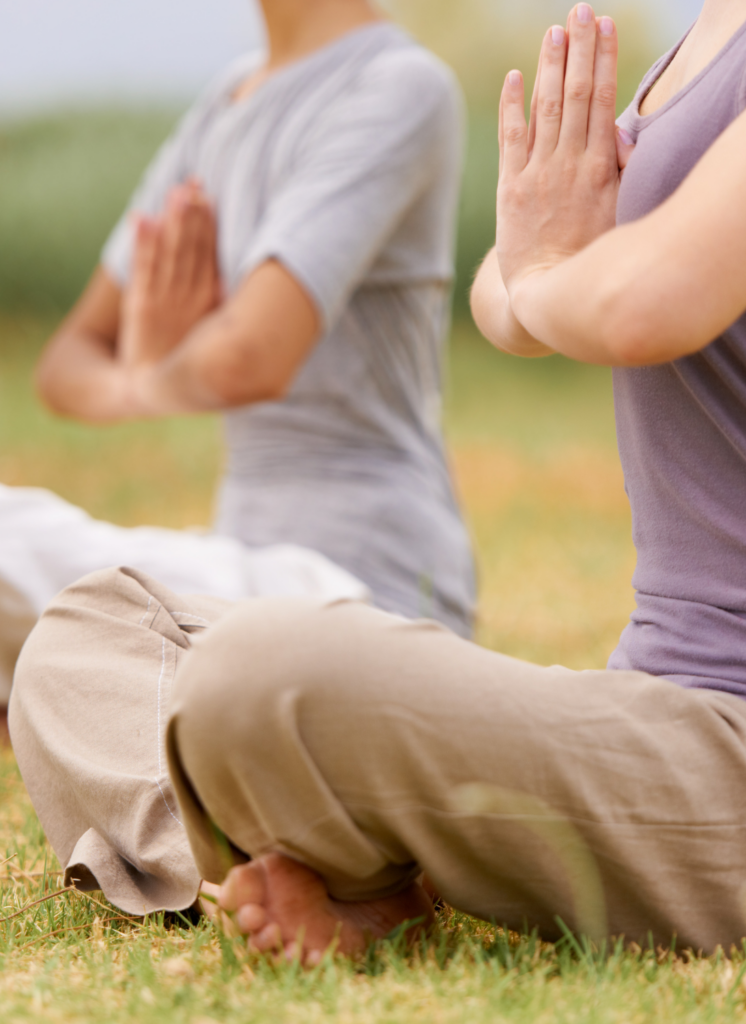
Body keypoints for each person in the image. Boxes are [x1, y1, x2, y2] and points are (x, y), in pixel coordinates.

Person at [15, 0, 746, 963]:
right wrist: (552, 275)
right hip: (658, 699)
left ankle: (315, 851)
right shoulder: (711, 25)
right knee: (82, 635)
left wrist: (553, 273)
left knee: (258, 674)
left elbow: (641, 303)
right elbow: (508, 284)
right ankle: (300, 869)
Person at [6, 0, 475, 903]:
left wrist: (157, 367)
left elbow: (251, 355)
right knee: (72, 644)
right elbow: (68, 365)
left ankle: (275, 863)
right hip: (223, 589)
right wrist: (154, 374)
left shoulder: (398, 86)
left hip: (366, 586)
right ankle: (250, 843)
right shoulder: (227, 100)